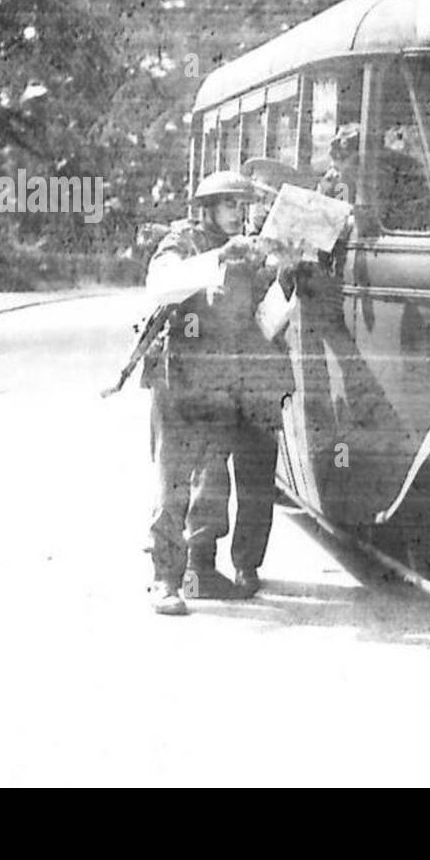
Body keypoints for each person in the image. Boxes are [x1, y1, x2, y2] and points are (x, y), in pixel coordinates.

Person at [142, 171, 287, 615]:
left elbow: (262, 313)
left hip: (223, 380)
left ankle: (200, 572)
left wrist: (281, 270)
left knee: (212, 485)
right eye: (229, 205)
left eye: (241, 207)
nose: (237, 214)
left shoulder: (244, 249)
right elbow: (162, 283)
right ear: (206, 207)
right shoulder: (180, 242)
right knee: (174, 484)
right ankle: (163, 580)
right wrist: (220, 258)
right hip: (180, 378)